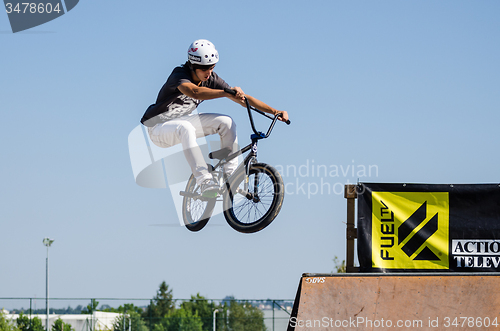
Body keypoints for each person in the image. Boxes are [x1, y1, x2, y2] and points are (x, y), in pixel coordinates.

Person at [140, 39, 289, 197]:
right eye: (204, 69)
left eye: (212, 68)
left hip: (184, 120)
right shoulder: (179, 74)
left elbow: (243, 100)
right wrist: (225, 92)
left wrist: (274, 111)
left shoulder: (211, 79)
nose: (209, 73)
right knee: (185, 128)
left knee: (227, 122)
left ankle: (230, 177)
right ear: (193, 65)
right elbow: (194, 92)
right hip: (158, 128)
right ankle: (204, 180)